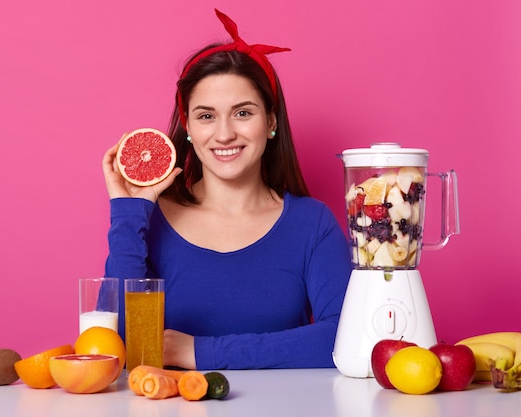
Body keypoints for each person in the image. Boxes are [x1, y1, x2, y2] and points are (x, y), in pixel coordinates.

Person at [101, 9, 352, 370]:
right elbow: (115, 345)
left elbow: (346, 339)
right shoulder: (151, 221)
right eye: (206, 116)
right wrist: (128, 212)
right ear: (188, 127)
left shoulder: (312, 224)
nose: (223, 134)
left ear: (271, 121)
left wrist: (201, 352)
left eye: (243, 113)